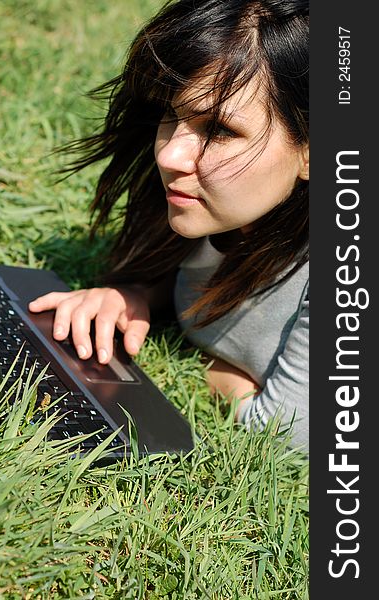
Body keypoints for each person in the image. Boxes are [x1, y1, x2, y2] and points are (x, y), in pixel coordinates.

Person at [29, 0, 309, 452]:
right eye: (172, 115)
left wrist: (220, 376)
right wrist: (136, 294)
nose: (169, 155)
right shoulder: (218, 212)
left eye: (218, 130)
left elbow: (290, 435)